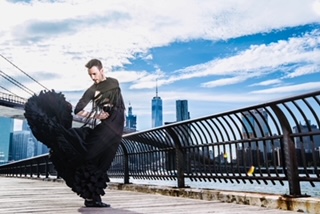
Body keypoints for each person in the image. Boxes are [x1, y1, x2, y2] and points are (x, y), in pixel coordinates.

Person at [24, 58, 125, 208]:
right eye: (90, 75)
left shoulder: (113, 82)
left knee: (102, 162)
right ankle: (92, 198)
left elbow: (113, 94)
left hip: (117, 130)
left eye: (95, 74)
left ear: (102, 70)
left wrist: (106, 102)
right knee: (88, 157)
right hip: (107, 128)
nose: (93, 78)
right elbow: (78, 110)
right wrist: (98, 115)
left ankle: (92, 198)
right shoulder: (91, 90)